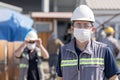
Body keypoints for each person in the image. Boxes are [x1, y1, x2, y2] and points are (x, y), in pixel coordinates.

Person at [56, 5, 120, 80]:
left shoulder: (104, 51)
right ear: (72, 29)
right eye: (78, 24)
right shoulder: (63, 51)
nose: (82, 28)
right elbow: (60, 78)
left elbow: (113, 78)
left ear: (92, 29)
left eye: (86, 25)